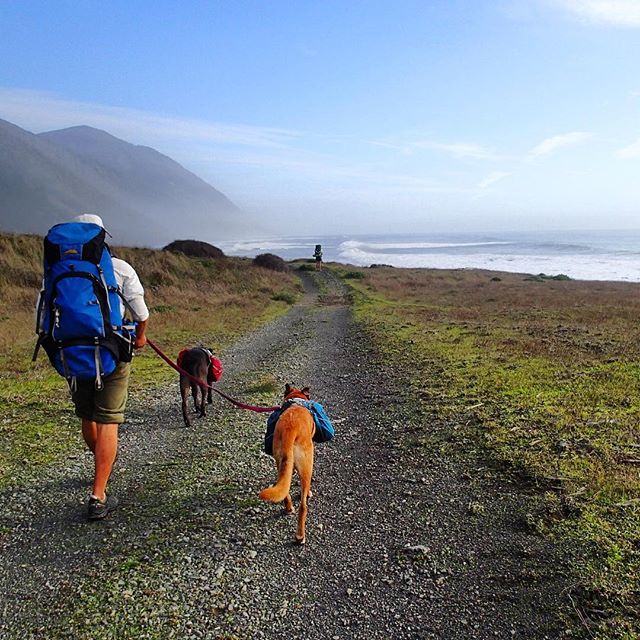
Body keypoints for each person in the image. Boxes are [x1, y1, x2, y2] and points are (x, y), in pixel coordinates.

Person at [41, 213, 149, 520]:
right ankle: (98, 494)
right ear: (101, 238)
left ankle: (100, 466)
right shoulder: (120, 268)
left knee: (87, 414)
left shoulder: (54, 270)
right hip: (111, 353)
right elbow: (141, 314)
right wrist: (140, 339)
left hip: (71, 353)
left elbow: (43, 314)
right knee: (108, 420)